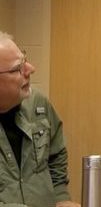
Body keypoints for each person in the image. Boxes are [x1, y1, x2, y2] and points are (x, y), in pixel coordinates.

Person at [0, 32, 80, 207]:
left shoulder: (37, 103)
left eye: (24, 60)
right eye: (17, 69)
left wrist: (61, 198)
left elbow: (55, 155)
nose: (30, 69)